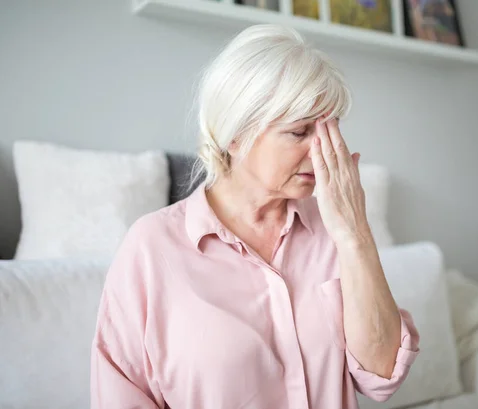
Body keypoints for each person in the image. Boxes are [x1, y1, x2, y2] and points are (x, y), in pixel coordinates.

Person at [90, 23, 420, 409]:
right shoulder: (151, 247)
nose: (321, 151)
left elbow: (382, 375)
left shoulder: (335, 229)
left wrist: (355, 234)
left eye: (329, 130)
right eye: (299, 132)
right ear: (235, 134)